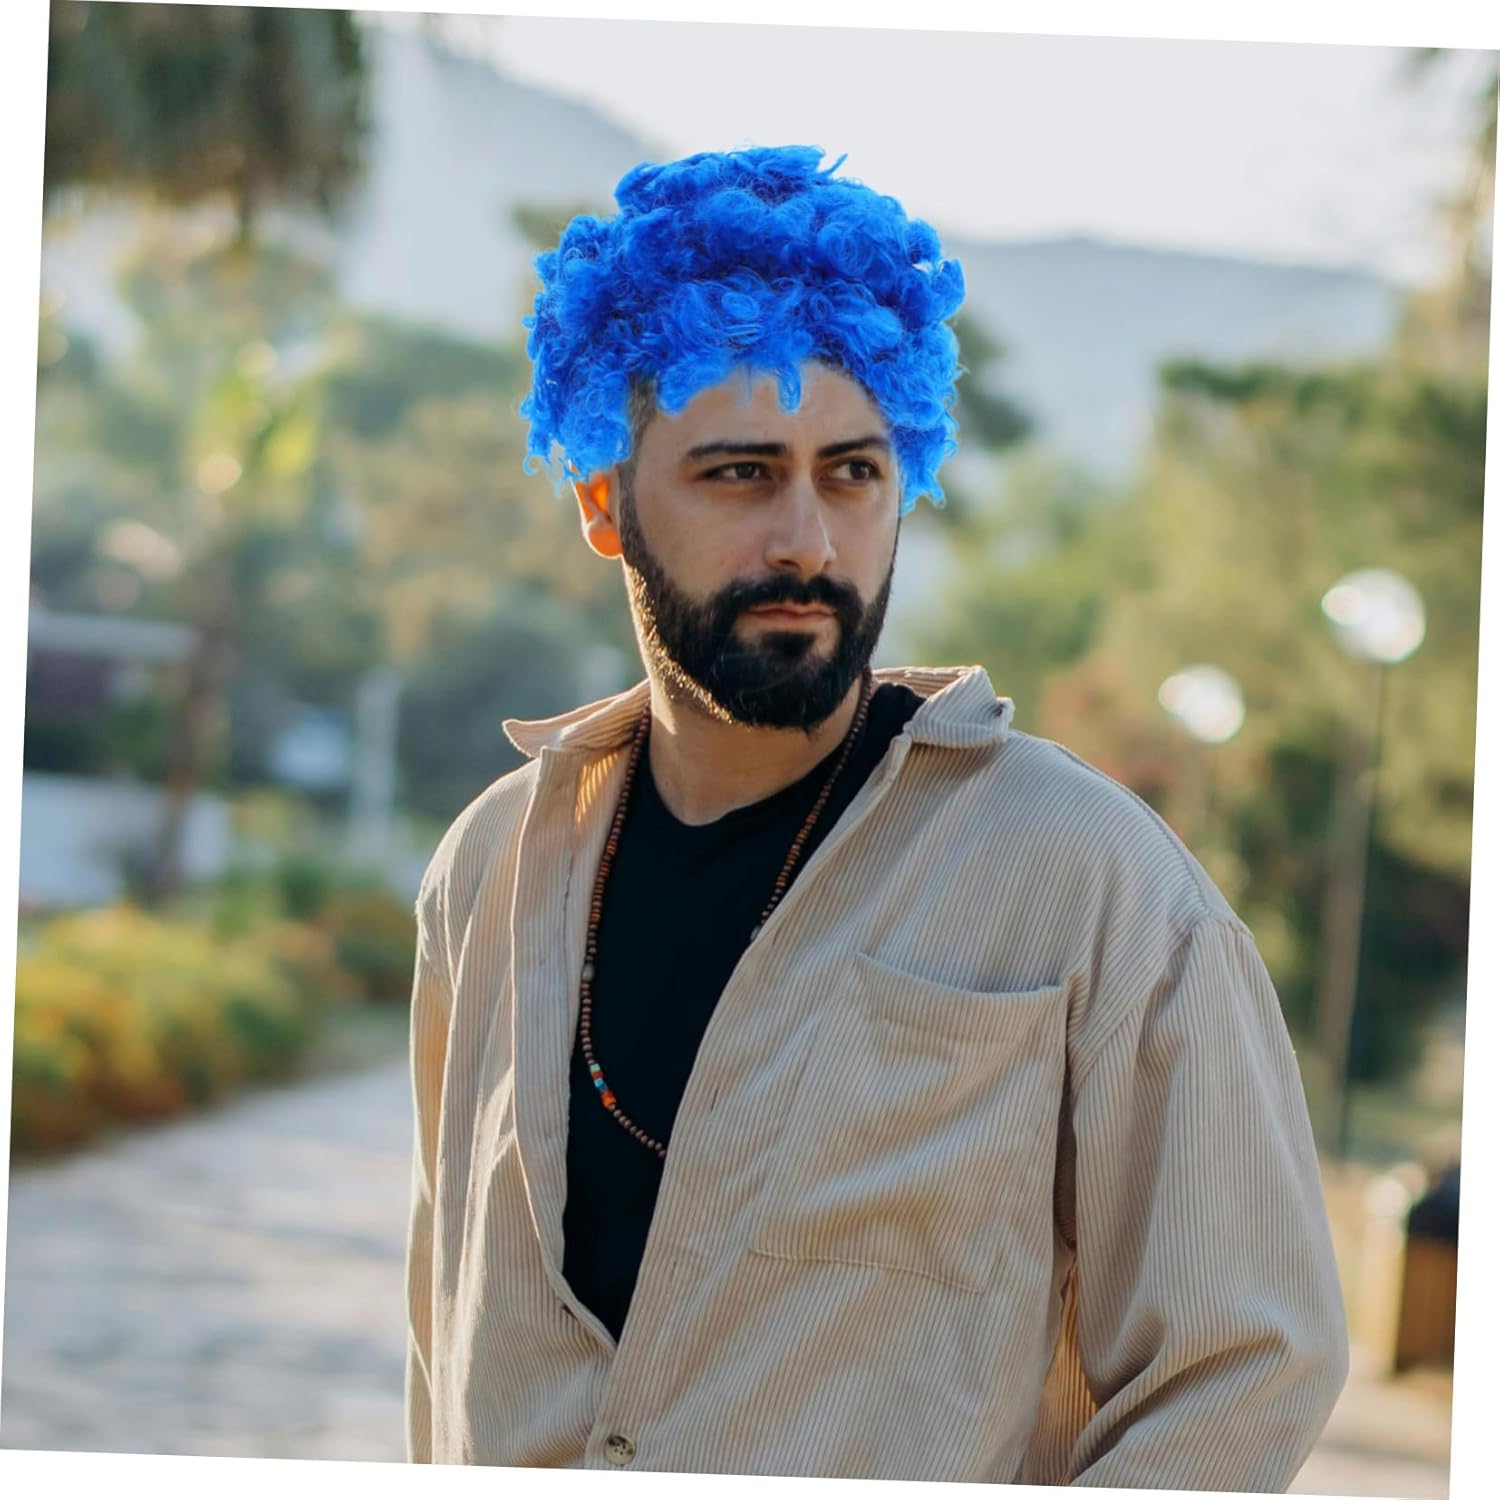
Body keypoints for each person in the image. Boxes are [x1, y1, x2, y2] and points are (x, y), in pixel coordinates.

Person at [403, 145, 1348, 1486]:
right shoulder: (493, 865)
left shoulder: (1086, 876)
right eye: (741, 474)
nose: (807, 540)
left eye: (852, 472)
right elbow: (447, 1329)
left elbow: (1244, 1365)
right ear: (604, 500)